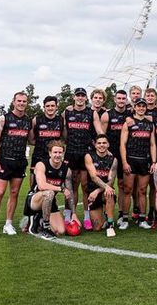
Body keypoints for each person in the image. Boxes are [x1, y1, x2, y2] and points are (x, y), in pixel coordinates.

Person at [0, 91, 31, 238]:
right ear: (13, 102)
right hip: (4, 160)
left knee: (14, 193)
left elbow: (32, 140)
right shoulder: (3, 118)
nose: (21, 103)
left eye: (24, 101)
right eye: (19, 101)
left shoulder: (28, 121)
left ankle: (8, 224)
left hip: (20, 162)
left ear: (27, 103)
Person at [25, 140, 77, 240]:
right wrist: (61, 188)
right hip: (35, 200)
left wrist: (73, 214)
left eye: (60, 152)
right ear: (50, 153)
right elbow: (41, 186)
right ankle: (45, 228)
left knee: (60, 231)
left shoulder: (66, 170)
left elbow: (69, 193)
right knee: (49, 192)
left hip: (50, 202)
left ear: (63, 153)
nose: (57, 155)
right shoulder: (41, 165)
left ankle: (39, 219)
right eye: (55, 152)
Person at [119, 98, 156, 229]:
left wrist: (153, 162)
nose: (141, 108)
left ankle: (142, 219)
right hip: (131, 160)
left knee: (142, 190)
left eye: (143, 106)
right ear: (134, 107)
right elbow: (122, 145)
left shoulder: (150, 124)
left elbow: (152, 144)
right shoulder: (128, 123)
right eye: (139, 106)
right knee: (128, 190)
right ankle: (124, 219)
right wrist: (124, 162)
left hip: (144, 161)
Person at [62, 87, 94, 231]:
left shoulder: (91, 113)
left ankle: (87, 217)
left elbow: (98, 129)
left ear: (86, 98)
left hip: (85, 153)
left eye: (83, 96)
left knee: (86, 186)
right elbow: (62, 130)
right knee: (71, 186)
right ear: (74, 97)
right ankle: (68, 215)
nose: (80, 98)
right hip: (71, 153)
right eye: (78, 95)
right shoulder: (67, 112)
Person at [98, 89, 131, 223]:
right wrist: (106, 151)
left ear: (126, 100)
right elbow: (101, 135)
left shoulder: (130, 114)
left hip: (125, 154)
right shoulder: (107, 115)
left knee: (123, 185)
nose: (121, 101)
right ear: (115, 99)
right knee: (106, 183)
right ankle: (106, 214)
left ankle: (122, 214)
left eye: (124, 98)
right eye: (119, 98)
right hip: (110, 154)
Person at [84, 134, 118, 237]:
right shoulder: (89, 156)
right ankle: (105, 215)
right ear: (95, 145)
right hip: (92, 191)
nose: (101, 145)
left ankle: (110, 225)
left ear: (108, 144)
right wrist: (98, 190)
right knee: (97, 227)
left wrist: (99, 190)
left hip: (103, 191)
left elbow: (111, 180)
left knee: (109, 192)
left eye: (104, 143)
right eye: (99, 143)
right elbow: (94, 177)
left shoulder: (114, 159)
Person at [28, 95, 64, 186]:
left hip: (54, 156)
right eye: (47, 106)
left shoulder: (61, 120)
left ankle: (52, 199)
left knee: (52, 180)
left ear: (56, 107)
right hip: (39, 155)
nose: (50, 108)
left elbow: (64, 138)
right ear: (44, 107)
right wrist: (41, 144)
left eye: (52, 106)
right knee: (34, 179)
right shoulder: (36, 120)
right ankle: (32, 195)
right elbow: (31, 140)